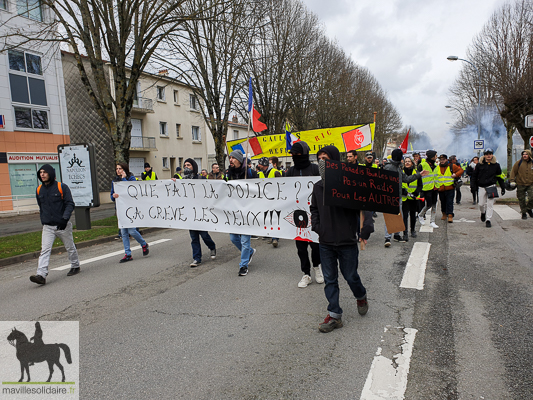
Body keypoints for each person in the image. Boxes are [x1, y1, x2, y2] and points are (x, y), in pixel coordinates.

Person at [311, 145, 368, 333]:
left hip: (346, 241)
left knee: (351, 276)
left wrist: (363, 230)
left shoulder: (348, 183)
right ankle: (334, 315)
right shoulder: (318, 187)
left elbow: (363, 207)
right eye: (319, 159)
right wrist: (318, 228)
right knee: (330, 279)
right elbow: (314, 210)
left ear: (334, 161)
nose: (321, 162)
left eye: (325, 159)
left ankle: (360, 295)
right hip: (326, 242)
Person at [29, 164, 80, 285]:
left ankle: (75, 265)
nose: (42, 174)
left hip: (63, 225)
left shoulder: (62, 187)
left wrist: (65, 218)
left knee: (70, 247)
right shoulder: (39, 189)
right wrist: (44, 220)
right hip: (48, 226)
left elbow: (69, 204)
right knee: (45, 250)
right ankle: (41, 275)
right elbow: (41, 207)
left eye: (45, 172)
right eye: (40, 172)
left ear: (51, 173)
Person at [285, 141, 324, 288]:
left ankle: (317, 268)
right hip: (298, 217)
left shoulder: (315, 169)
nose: (295, 156)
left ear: (305, 154)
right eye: (293, 154)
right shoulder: (290, 172)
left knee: (315, 246)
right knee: (301, 247)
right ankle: (306, 273)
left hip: (314, 215)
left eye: (298, 154)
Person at [383, 149, 428, 246]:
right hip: (390, 197)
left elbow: (406, 179)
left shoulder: (398, 168)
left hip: (398, 196)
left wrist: (419, 174)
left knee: (399, 216)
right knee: (390, 217)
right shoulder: (388, 167)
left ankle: (396, 235)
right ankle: (387, 238)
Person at [225, 149, 258, 276]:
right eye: (230, 158)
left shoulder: (250, 173)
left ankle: (243, 265)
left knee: (245, 240)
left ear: (239, 160)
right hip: (234, 212)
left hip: (248, 211)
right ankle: (249, 252)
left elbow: (260, 189)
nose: (231, 160)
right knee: (233, 238)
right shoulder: (228, 174)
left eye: (233, 158)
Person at [178, 159, 216, 266]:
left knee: (204, 235)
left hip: (200, 212)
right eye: (185, 165)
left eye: (188, 165)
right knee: (194, 237)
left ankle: (212, 247)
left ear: (193, 166)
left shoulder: (201, 178)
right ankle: (197, 258)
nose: (186, 167)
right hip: (190, 213)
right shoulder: (182, 181)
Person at [111, 163, 150, 262]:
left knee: (132, 231)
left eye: (120, 168)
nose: (118, 170)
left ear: (125, 169)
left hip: (131, 209)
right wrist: (113, 196)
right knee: (124, 232)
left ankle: (143, 244)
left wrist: (124, 179)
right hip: (121, 210)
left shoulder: (131, 178)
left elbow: (132, 191)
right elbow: (112, 196)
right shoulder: (115, 181)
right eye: (117, 169)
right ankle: (128, 254)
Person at [471, 149, 505, 227]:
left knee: (490, 204)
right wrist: (473, 186)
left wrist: (503, 187)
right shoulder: (479, 165)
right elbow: (474, 176)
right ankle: (483, 213)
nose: (488, 155)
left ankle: (488, 219)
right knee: (481, 204)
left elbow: (499, 177)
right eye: (487, 154)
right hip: (482, 186)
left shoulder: (496, 165)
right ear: (484, 155)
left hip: (491, 186)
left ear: (492, 155)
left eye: (490, 154)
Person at [257, 156, 282, 247]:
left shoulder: (275, 172)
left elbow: (282, 185)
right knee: (268, 218)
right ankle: (271, 236)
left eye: (260, 163)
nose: (258, 165)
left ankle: (275, 238)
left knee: (274, 218)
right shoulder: (260, 174)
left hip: (275, 199)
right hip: (265, 200)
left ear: (264, 164)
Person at [435, 154, 463, 223]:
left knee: (449, 202)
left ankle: (450, 215)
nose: (442, 161)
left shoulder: (452, 166)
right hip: (441, 189)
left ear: (446, 160)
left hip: (450, 188)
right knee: (443, 202)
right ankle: (444, 213)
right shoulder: (437, 168)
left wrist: (455, 175)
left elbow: (461, 170)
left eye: (443, 159)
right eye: (440, 160)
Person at [401, 156, 422, 240]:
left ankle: (412, 230)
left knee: (413, 215)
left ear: (412, 163)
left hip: (414, 197)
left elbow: (420, 185)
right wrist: (403, 191)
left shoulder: (416, 173)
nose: (407, 163)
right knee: (405, 216)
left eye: (409, 161)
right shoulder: (401, 172)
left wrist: (416, 193)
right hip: (404, 198)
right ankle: (405, 232)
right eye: (406, 161)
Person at [417, 150, 439, 229]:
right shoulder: (422, 165)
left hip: (434, 187)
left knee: (434, 205)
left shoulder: (436, 165)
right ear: (431, 156)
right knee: (428, 205)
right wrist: (420, 189)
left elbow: (436, 176)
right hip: (426, 188)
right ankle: (420, 215)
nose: (436, 157)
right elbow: (418, 177)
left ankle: (432, 221)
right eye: (435, 156)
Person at [509, 149, 533, 219]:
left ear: (529, 155)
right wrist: (512, 180)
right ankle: (523, 212)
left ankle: (528, 208)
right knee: (521, 199)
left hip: (530, 184)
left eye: (526, 154)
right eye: (523, 154)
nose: (524, 155)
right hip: (520, 183)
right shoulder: (519, 163)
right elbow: (513, 171)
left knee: (532, 197)